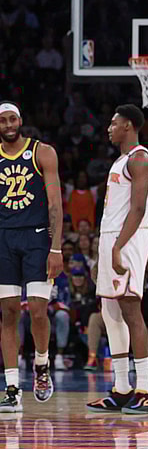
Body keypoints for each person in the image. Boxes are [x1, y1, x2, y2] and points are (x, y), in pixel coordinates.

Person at [85, 104, 148, 414]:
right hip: (112, 238)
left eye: (114, 123)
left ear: (128, 125)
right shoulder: (122, 160)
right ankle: (121, 389)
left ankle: (145, 390)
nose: (109, 128)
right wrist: (102, 251)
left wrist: (116, 248)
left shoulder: (140, 158)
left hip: (127, 239)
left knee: (130, 308)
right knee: (110, 312)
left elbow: (139, 209)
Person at [0, 101, 64, 412]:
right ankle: (12, 387)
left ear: (20, 120)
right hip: (3, 239)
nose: (8, 124)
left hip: (37, 237)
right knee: (9, 313)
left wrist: (57, 247)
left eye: (12, 119)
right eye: (3, 121)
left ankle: (41, 364)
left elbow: (55, 204)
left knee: (38, 311)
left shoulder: (42, 152)